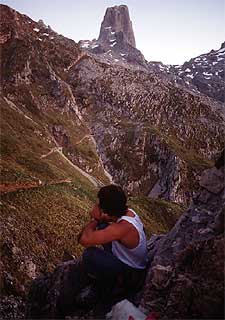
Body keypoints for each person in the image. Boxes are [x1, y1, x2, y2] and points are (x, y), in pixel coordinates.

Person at [78, 184, 148, 309]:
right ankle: (114, 276)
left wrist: (95, 218)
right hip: (135, 263)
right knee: (102, 227)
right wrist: (101, 219)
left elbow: (84, 239)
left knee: (89, 254)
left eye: (99, 204)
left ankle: (110, 289)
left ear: (105, 210)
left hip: (132, 273)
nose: (96, 205)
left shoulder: (122, 228)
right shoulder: (129, 213)